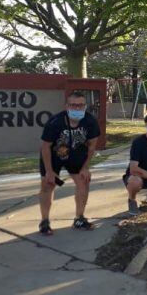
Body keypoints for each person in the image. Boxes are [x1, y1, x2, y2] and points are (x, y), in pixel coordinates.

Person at [38, 91, 101, 235]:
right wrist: (49, 171)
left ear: (85, 106)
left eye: (81, 105)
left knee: (84, 180)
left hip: (76, 152)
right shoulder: (55, 122)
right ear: (67, 106)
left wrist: (85, 167)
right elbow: (45, 147)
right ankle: (45, 221)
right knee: (48, 184)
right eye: (73, 105)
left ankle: (79, 218)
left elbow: (92, 146)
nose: (77, 108)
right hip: (55, 153)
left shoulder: (90, 121)